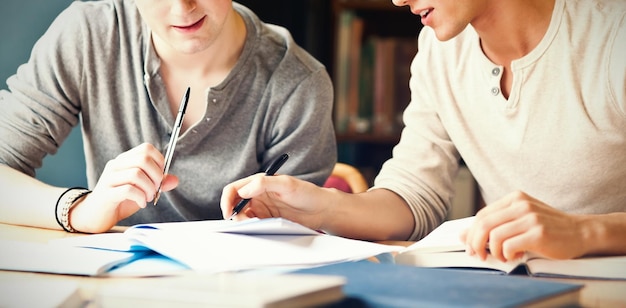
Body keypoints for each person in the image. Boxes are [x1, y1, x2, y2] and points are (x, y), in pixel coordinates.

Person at [222, 0, 626, 262]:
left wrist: (585, 231)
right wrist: (319, 206)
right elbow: (414, 196)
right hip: (515, 289)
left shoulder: (613, 34)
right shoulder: (439, 51)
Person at [0, 0, 336, 234]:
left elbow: (297, 236)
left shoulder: (299, 83)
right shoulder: (90, 36)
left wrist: (272, 222)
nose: (182, 8)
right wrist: (80, 210)